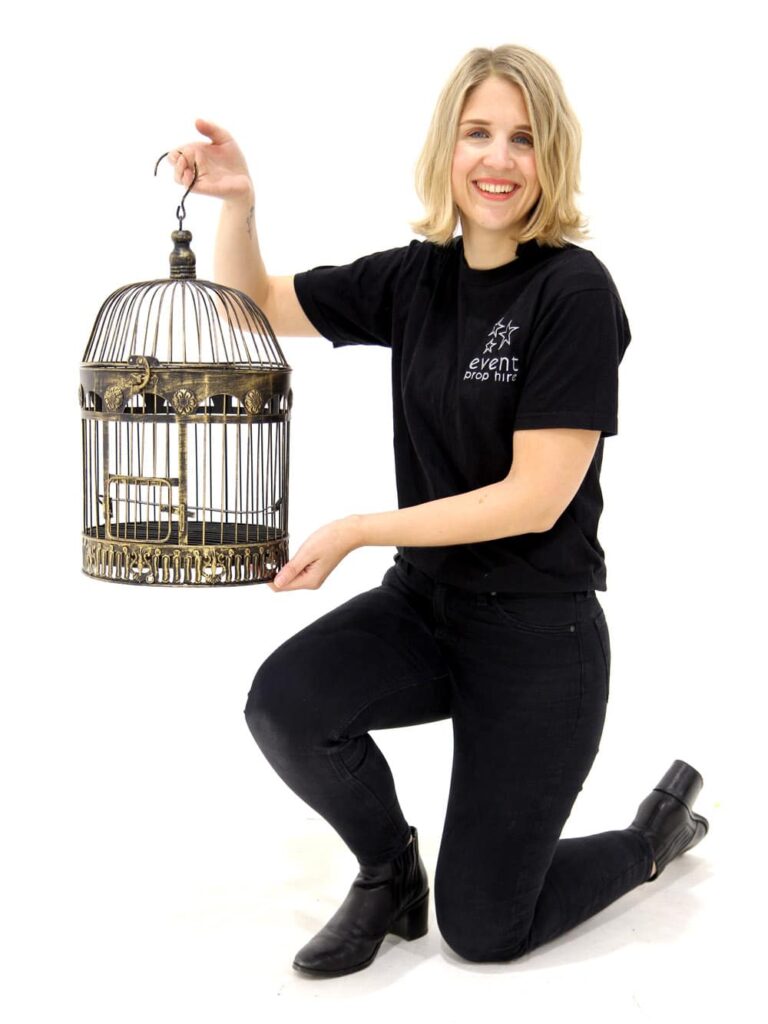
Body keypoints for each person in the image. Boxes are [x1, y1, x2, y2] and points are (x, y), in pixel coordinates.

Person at [169, 43, 709, 977]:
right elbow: (250, 302)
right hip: (427, 607)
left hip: (539, 636)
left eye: (523, 139)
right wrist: (239, 202)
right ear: (447, 149)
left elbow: (535, 499)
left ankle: (650, 839)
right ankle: (389, 874)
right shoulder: (416, 279)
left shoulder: (574, 292)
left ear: (551, 157)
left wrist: (357, 529)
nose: (498, 160)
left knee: (488, 929)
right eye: (478, 134)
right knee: (287, 705)